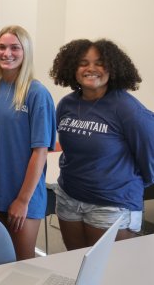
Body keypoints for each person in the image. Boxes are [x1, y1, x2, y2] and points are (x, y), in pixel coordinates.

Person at [49, 39, 154, 250]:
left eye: (100, 63)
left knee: (110, 273)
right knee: (76, 264)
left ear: (113, 67)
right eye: (83, 63)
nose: (91, 69)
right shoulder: (67, 104)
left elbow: (150, 156)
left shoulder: (127, 109)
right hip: (69, 198)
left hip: (112, 204)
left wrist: (126, 187)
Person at [0, 25, 56, 260]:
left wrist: (22, 200)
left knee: (23, 266)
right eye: (1, 47)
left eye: (15, 48)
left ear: (26, 52)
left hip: (23, 195)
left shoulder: (36, 93)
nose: (7, 53)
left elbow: (40, 152)